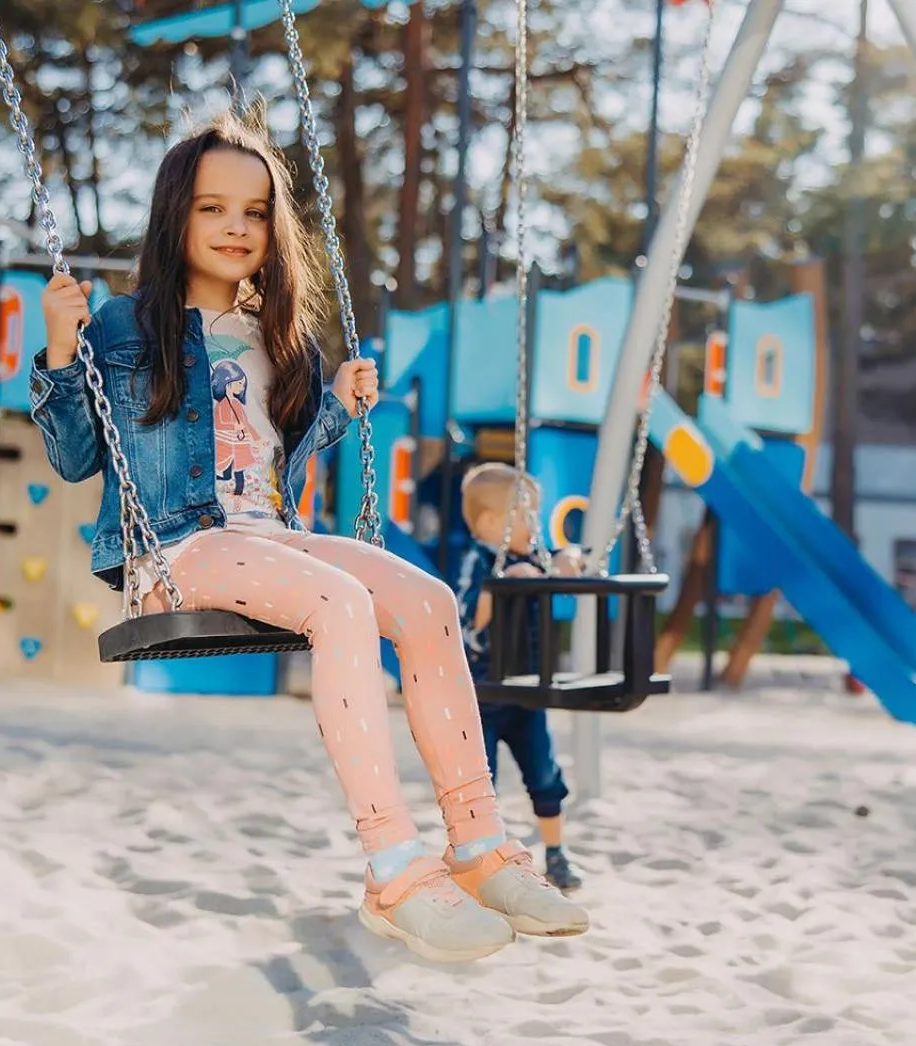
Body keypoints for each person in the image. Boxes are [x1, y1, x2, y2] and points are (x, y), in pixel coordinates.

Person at [31, 110, 587, 964]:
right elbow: (74, 457)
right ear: (175, 215)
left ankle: (478, 845)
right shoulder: (122, 325)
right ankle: (392, 866)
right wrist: (61, 351)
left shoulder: (275, 331)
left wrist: (338, 406)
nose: (236, 227)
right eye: (213, 208)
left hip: (270, 537)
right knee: (340, 600)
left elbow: (273, 454)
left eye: (254, 213)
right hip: (174, 552)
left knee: (428, 600)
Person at [453, 463, 584, 893]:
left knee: (544, 774)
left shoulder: (531, 558)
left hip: (527, 692)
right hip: (484, 694)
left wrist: (568, 560)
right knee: (481, 783)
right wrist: (500, 584)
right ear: (493, 522)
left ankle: (556, 853)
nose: (537, 526)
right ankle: (480, 861)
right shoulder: (477, 560)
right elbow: (468, 621)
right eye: (528, 515)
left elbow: (560, 570)